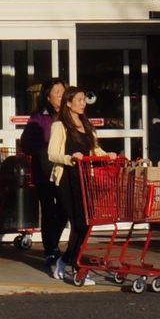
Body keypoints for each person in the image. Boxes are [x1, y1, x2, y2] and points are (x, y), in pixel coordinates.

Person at [47, 85, 99, 283]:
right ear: (68, 103)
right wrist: (70, 158)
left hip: (85, 179)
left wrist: (109, 155)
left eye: (84, 100)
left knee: (86, 223)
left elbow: (94, 149)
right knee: (77, 222)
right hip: (67, 179)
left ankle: (65, 259)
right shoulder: (59, 126)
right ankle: (79, 269)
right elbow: (52, 154)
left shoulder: (86, 125)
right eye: (79, 100)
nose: (83, 103)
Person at [18, 78, 67, 264]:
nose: (61, 96)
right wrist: (45, 150)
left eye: (63, 92)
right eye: (57, 92)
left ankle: (53, 243)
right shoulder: (38, 118)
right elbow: (26, 144)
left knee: (64, 208)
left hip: (65, 171)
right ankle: (50, 249)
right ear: (48, 96)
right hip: (44, 172)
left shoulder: (69, 115)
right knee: (48, 210)